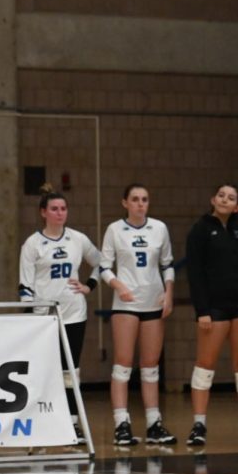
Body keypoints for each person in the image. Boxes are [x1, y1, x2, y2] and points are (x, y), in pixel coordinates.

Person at [184, 183, 238, 447]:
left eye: (231, 198)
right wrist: (203, 311)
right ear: (213, 198)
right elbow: (194, 273)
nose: (225, 199)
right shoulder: (200, 229)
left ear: (236, 205)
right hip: (214, 308)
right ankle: (198, 425)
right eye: (221, 195)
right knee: (205, 365)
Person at [18, 191, 101, 444]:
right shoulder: (32, 244)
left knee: (70, 371)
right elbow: (25, 286)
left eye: (63, 208)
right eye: (54, 208)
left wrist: (89, 285)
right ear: (43, 212)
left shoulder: (78, 239)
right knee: (44, 369)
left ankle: (73, 423)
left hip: (74, 313)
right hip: (45, 317)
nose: (59, 213)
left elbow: (101, 262)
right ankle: (42, 421)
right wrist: (32, 317)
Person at [100, 183, 177, 446]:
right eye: (135, 199)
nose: (140, 204)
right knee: (122, 364)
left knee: (150, 366)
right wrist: (119, 286)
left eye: (144, 199)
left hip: (153, 302)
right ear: (125, 203)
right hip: (126, 305)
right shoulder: (114, 229)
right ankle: (122, 424)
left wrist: (169, 292)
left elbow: (167, 264)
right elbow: (103, 268)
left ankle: (154, 424)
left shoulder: (159, 228)